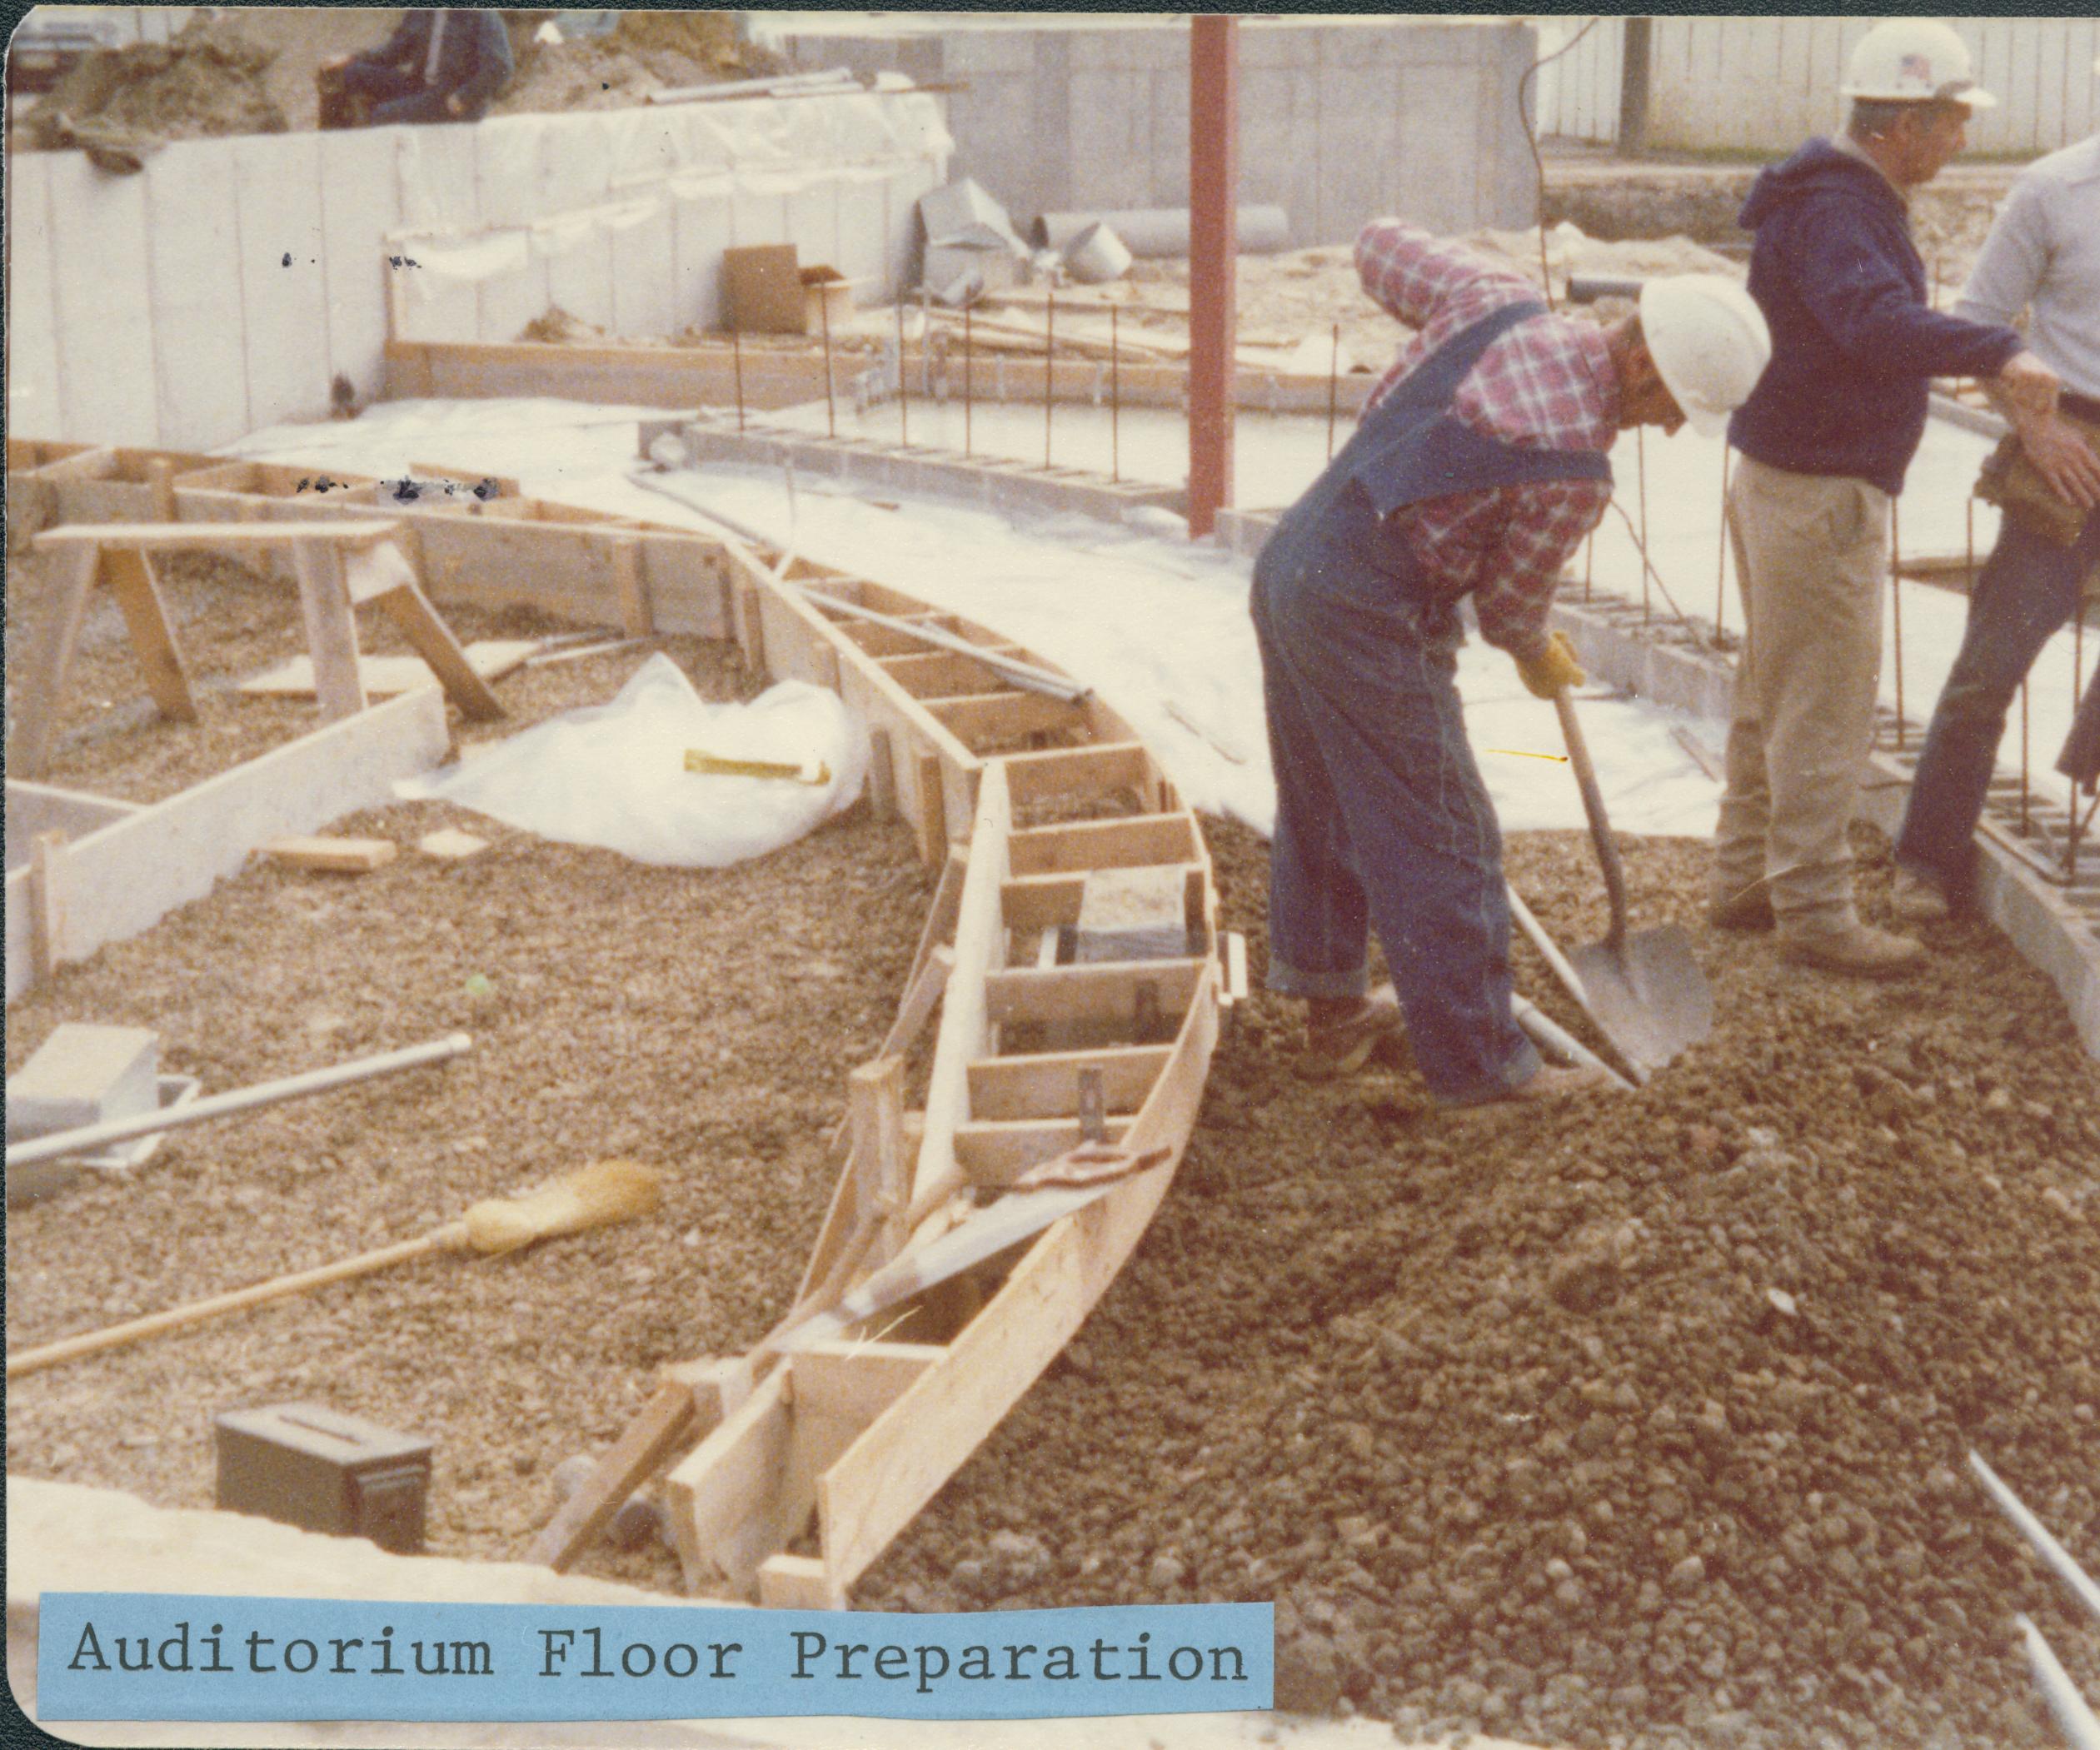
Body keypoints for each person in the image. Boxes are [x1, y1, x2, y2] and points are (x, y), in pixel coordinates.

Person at [1252, 219, 1769, 1109]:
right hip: (1373, 614)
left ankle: (1330, 1017)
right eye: (1675, 411)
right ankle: (1481, 1066)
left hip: (1293, 562)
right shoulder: (1574, 467)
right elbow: (1506, 610)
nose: (1672, 431)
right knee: (1445, 832)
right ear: (1644, 367)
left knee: (1326, 795)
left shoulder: (1494, 300)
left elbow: (1376, 244)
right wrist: (1537, 653)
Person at [1709, 17, 2062, 980]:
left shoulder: (1834, 197)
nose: (1959, 138)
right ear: (1900, 119)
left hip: (1784, 478)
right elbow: (1870, 321)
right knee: (1823, 699)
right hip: (1819, 494)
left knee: (1769, 688)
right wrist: (1995, 348)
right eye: (1949, 119)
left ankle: (1746, 875)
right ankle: (1814, 910)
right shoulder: (1838, 211)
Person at [1892, 57, 2100, 920]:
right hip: (2070, 451)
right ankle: (1924, 860)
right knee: (1991, 665)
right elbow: (1975, 327)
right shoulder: (2053, 192)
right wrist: (2034, 429)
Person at [317, 10, 514, 129]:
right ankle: (330, 149)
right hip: (420, 87)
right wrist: (352, 58)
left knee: (384, 116)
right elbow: (395, 52)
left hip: (452, 99)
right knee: (344, 75)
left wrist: (464, 97)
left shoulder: (480, 13)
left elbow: (500, 67)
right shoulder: (423, 9)